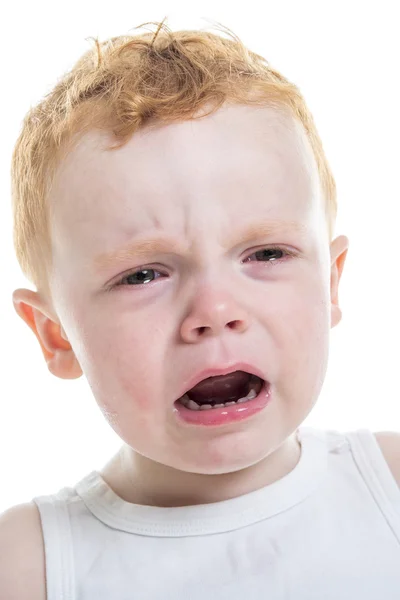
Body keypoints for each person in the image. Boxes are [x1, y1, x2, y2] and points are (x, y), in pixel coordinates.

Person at [1, 18, 400, 600]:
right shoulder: (27, 568)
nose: (215, 310)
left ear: (331, 284)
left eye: (266, 252)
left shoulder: (388, 484)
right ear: (56, 335)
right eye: (142, 274)